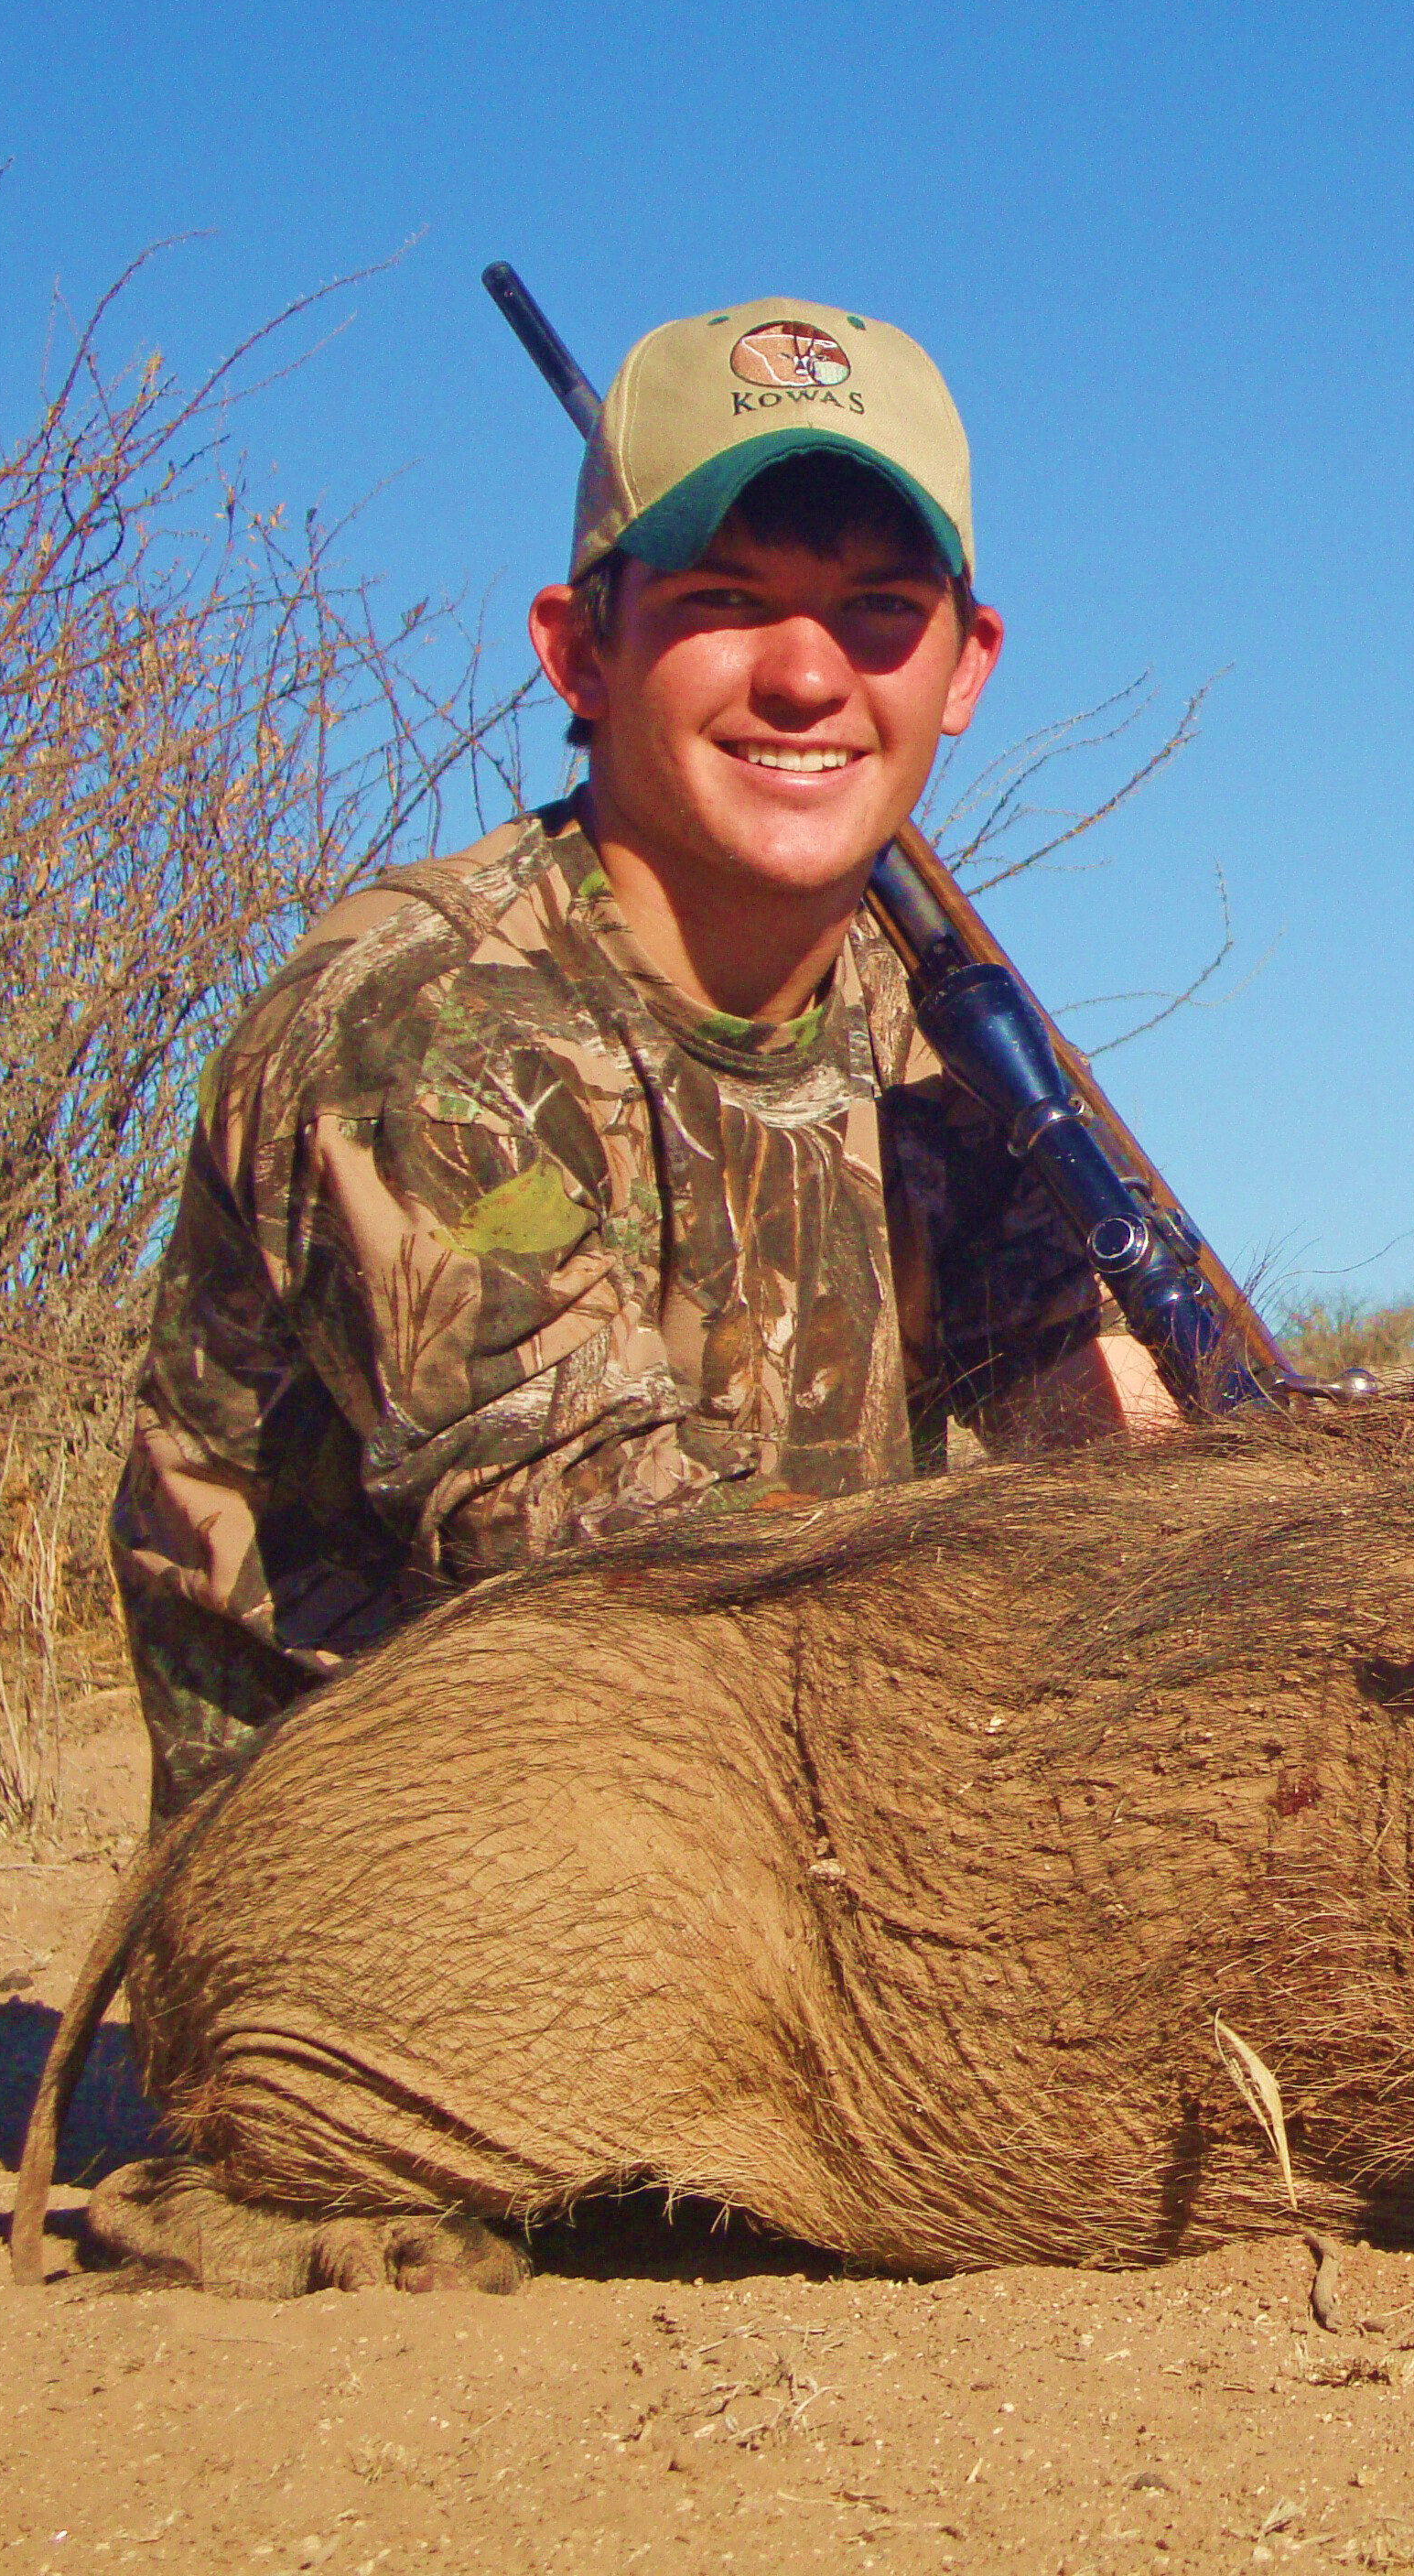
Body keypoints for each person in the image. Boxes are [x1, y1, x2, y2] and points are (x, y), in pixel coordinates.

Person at [112, 297, 1171, 1825]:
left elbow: (1080, 1396)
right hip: (410, 1877)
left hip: (778, 1815)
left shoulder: (938, 1032)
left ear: (965, 666)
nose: (808, 676)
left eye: (881, 608)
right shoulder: (419, 1027)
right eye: (728, 598)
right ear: (577, 650)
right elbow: (640, 1591)